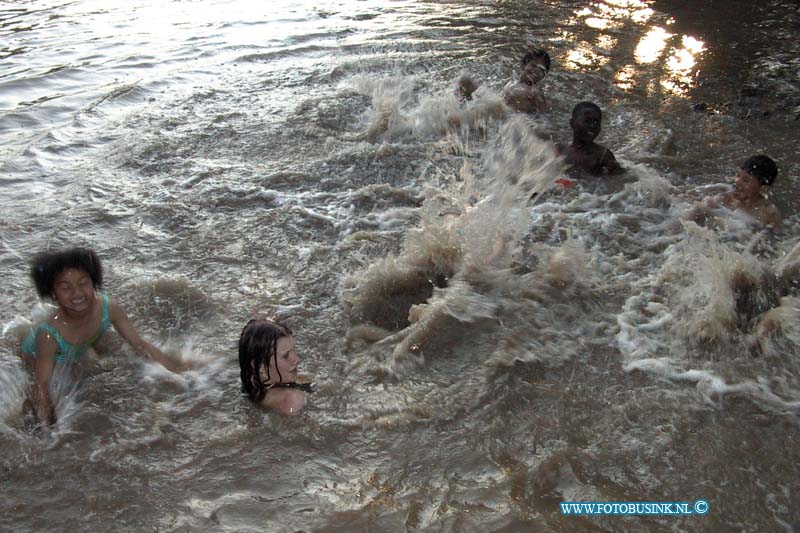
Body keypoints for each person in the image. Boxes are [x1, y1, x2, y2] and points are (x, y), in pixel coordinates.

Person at [20, 247, 179, 426]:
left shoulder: (108, 308)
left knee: (95, 366)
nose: (77, 293)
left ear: (93, 282)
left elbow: (140, 344)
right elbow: (41, 384)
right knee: (48, 394)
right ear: (53, 295)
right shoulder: (49, 334)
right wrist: (48, 428)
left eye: (83, 283)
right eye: (66, 288)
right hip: (38, 355)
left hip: (76, 344)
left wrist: (178, 375)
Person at [238, 318, 314, 416]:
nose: (297, 359)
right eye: (285, 355)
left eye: (293, 350)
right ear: (262, 368)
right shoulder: (292, 399)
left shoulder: (251, 386)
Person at [696, 155, 781, 227]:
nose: (737, 181)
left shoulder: (768, 212)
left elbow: (772, 237)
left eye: (746, 180)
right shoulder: (725, 198)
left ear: (763, 188)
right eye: (737, 175)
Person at [557, 101, 624, 178]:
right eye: (587, 121)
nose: (592, 126)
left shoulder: (602, 155)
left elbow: (620, 180)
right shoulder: (561, 150)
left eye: (596, 123)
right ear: (572, 123)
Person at [503, 49, 550, 114]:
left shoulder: (535, 92)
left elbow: (543, 114)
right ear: (523, 65)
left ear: (543, 76)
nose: (536, 70)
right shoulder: (511, 83)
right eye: (533, 65)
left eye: (541, 69)